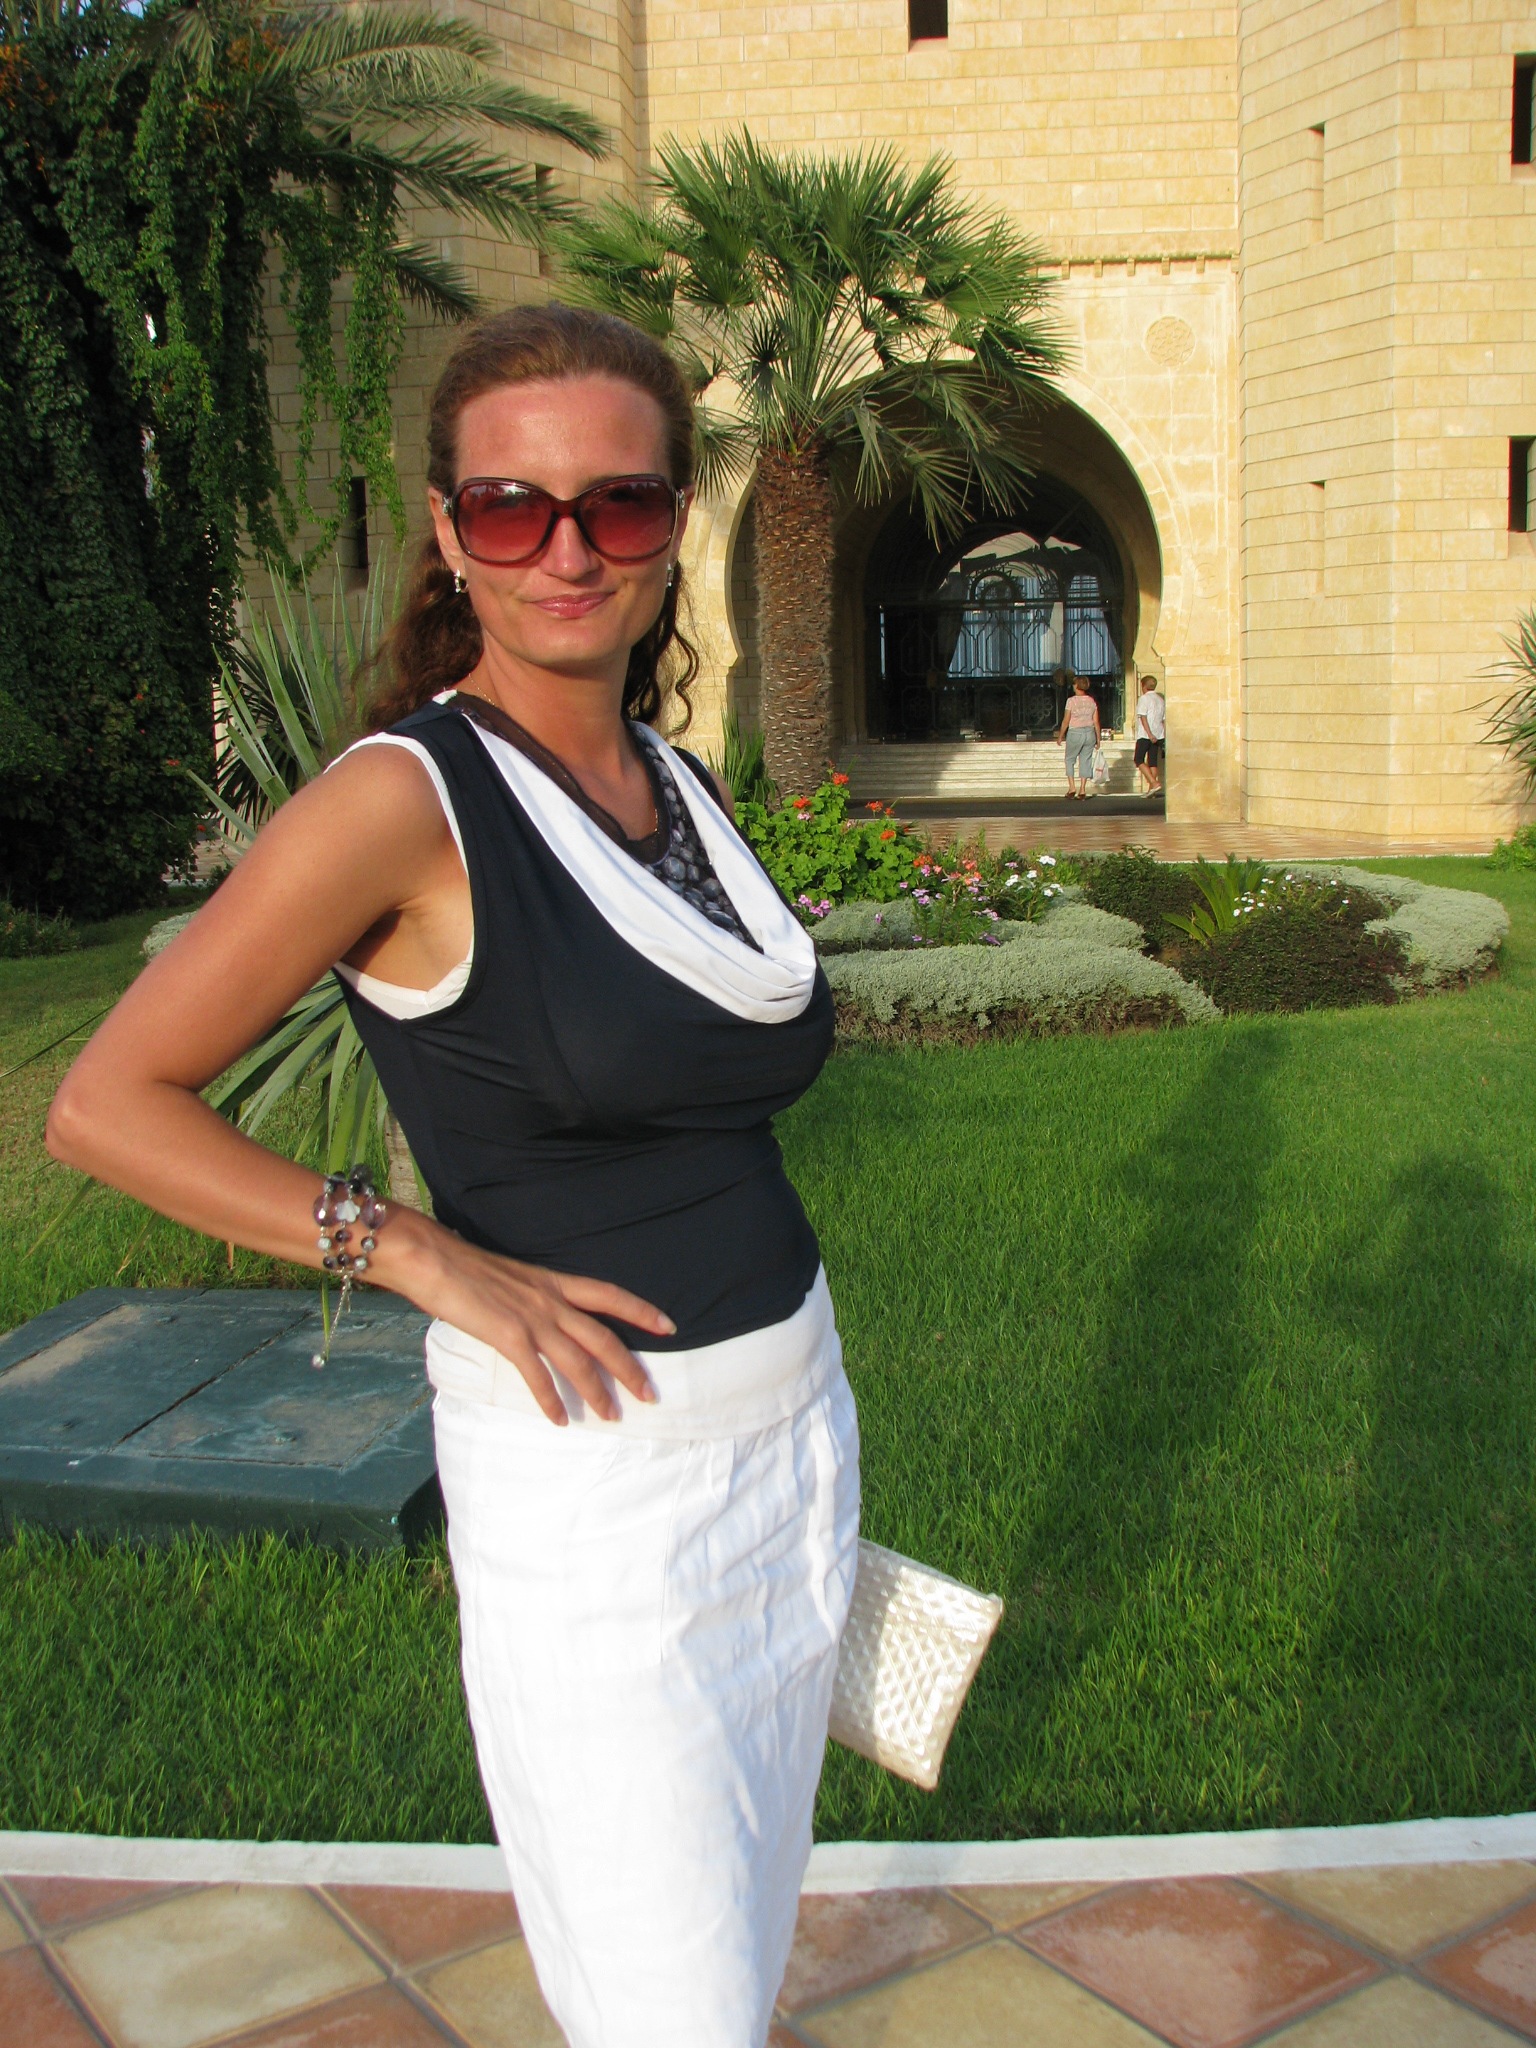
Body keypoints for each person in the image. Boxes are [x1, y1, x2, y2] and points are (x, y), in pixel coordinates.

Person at [46, 305, 859, 2048]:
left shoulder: (672, 781)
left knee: (741, 1935)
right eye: (512, 506)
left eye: (616, 503)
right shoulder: (403, 798)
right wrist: (411, 1249)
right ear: (448, 527)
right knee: (669, 2005)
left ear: (673, 522)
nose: (566, 551)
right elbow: (107, 1103)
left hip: (793, 1432)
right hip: (597, 1484)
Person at [1055, 671, 1101, 798]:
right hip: (1089, 733)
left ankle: (1072, 787)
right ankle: (1082, 789)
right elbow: (1096, 722)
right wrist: (1098, 738)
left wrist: (1060, 736)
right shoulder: (1091, 701)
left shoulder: (1071, 701)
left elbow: (1066, 720)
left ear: (1076, 685)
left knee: (1070, 759)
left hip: (1075, 732)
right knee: (1085, 760)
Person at [1134, 671, 1166, 797]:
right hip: (1159, 733)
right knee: (1152, 761)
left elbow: (1143, 717)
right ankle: (1151, 790)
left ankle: (1153, 782)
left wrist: (1149, 733)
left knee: (1138, 759)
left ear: (1143, 686)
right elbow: (1163, 719)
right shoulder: (1160, 700)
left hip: (1146, 734)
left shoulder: (1144, 698)